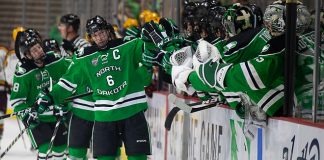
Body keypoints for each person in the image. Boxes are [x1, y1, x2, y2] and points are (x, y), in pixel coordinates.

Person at [36, 15, 151, 160]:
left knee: (138, 158)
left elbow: (150, 53)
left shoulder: (127, 45)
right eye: (95, 35)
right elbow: (68, 82)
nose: (99, 37)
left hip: (133, 112)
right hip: (105, 116)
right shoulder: (85, 57)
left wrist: (148, 39)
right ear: (91, 37)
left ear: (108, 31)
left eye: (101, 33)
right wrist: (51, 97)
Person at [10, 28, 70, 159]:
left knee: (60, 151)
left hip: (56, 114)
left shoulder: (54, 59)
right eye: (35, 50)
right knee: (45, 151)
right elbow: (17, 101)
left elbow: (72, 74)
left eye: (39, 47)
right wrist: (26, 114)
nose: (40, 51)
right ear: (28, 55)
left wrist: (66, 102)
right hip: (38, 119)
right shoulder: (23, 71)